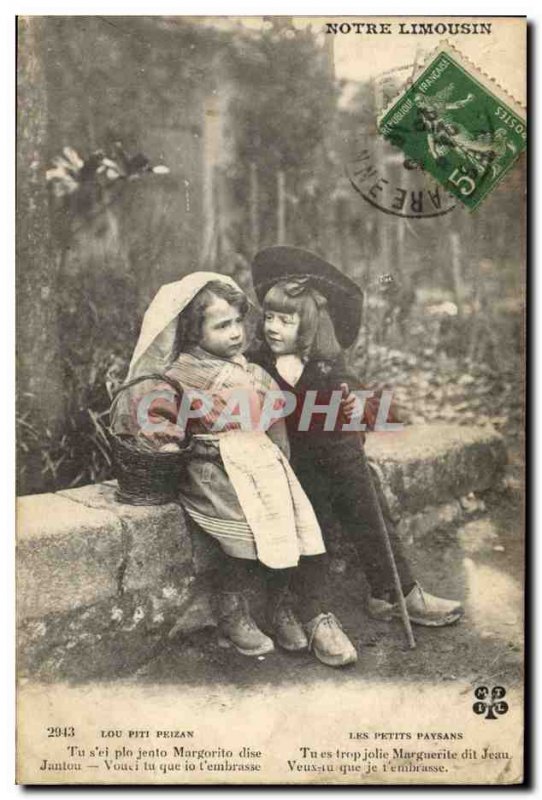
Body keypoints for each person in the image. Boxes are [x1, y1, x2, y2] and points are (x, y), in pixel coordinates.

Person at [114, 272, 357, 666]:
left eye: (238, 323)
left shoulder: (253, 371)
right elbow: (157, 414)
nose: (235, 333)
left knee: (287, 525)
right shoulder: (179, 374)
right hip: (215, 467)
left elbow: (276, 415)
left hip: (261, 461)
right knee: (241, 537)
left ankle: (279, 608)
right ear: (194, 332)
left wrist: (282, 458)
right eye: (221, 325)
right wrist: (168, 439)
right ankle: (232, 610)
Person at [249, 246, 464, 627]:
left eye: (285, 320)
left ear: (310, 326)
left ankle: (394, 591)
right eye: (269, 317)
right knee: (337, 482)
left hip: (330, 457)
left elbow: (353, 390)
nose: (272, 327)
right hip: (287, 460)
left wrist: (354, 401)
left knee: (361, 481)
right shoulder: (259, 362)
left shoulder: (324, 362)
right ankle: (334, 605)